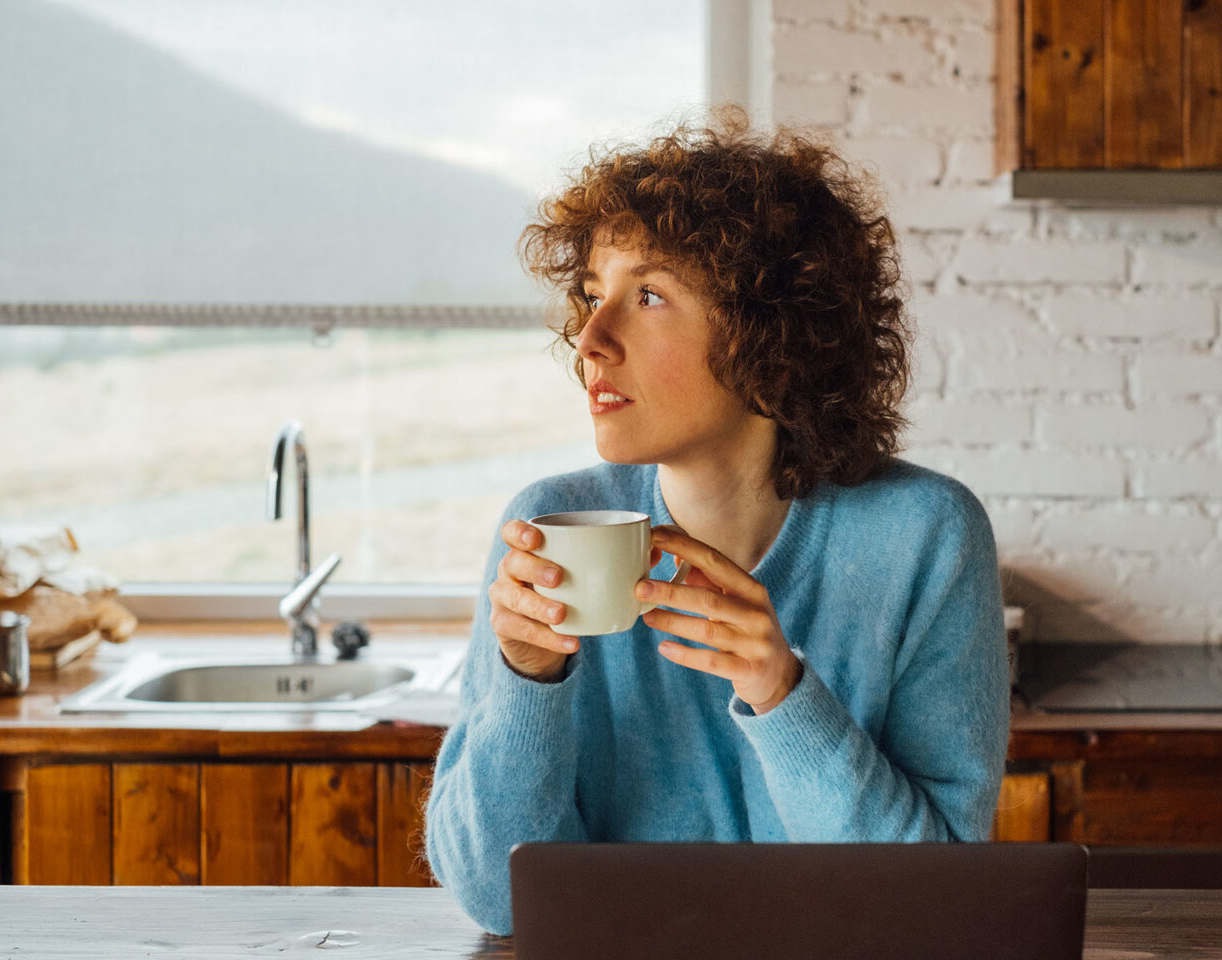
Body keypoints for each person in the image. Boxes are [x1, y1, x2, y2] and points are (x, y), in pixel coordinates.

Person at [425, 108, 1010, 936]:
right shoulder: (546, 530)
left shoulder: (926, 537)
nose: (589, 338)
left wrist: (783, 694)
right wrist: (527, 683)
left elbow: (934, 903)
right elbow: (497, 899)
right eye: (594, 296)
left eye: (649, 295)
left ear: (771, 337)